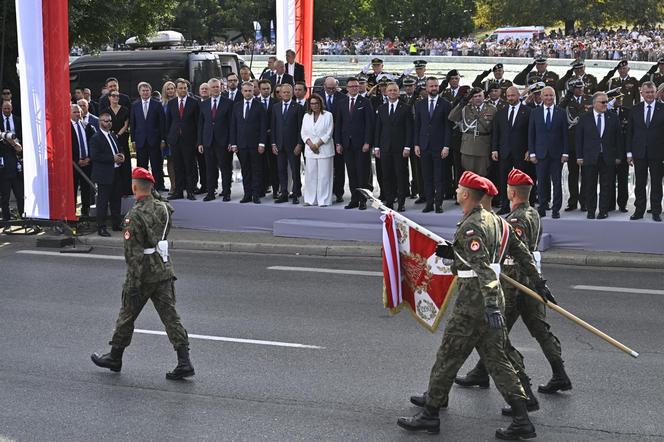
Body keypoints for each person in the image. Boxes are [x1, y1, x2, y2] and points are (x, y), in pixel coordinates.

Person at [397, 171, 552, 440]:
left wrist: (490, 304)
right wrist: (539, 282)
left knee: (448, 355)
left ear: (467, 195)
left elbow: (484, 270)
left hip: (475, 303)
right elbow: (521, 253)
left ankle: (430, 415)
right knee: (498, 360)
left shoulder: (472, 227)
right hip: (491, 302)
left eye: (458, 188)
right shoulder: (498, 223)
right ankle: (521, 419)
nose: (456, 191)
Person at [455, 169, 571, 398]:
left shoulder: (516, 219)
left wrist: (512, 285)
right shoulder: (533, 213)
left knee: (496, 333)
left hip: (516, 284)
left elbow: (517, 253)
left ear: (512, 191)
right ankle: (559, 373)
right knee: (539, 330)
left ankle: (518, 386)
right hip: (530, 281)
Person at [91, 167, 194, 381]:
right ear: (152, 187)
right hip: (163, 268)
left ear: (134, 187)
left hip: (144, 273)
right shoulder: (164, 209)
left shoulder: (134, 215)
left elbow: (133, 254)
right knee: (170, 316)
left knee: (127, 315)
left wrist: (134, 283)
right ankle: (184, 361)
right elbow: (158, 202)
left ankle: (115, 356)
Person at [576, 92, 624, 219]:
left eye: (606, 102)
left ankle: (603, 210)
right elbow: (579, 139)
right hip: (590, 157)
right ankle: (591, 210)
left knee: (606, 185)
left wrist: (619, 156)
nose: (605, 104)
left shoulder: (613, 117)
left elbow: (618, 139)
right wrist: (579, 156)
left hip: (607, 157)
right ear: (594, 104)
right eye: (602, 102)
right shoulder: (584, 118)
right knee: (590, 185)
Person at [491, 86, 534, 214]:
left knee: (523, 180)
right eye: (508, 96)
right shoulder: (501, 113)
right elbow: (496, 133)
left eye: (512, 96)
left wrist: (529, 149)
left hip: (521, 153)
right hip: (504, 152)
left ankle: (524, 206)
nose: (510, 98)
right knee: (504, 180)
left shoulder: (528, 111)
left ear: (518, 95)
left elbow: (531, 133)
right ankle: (505, 206)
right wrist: (494, 150)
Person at [528, 86, 569, 219]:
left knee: (557, 182)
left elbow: (565, 135)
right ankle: (542, 206)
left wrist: (565, 153)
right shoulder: (535, 112)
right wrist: (532, 153)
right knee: (541, 182)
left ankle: (556, 208)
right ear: (541, 97)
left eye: (551, 95)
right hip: (540, 154)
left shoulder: (561, 112)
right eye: (546, 95)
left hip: (557, 155)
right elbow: (531, 134)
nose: (549, 98)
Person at [626, 81, 664, 222]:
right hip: (639, 153)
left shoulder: (663, 108)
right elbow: (630, 132)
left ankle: (656, 211)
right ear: (641, 93)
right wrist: (629, 153)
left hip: (658, 154)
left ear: (656, 92)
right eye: (647, 92)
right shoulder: (635, 109)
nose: (649, 95)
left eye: (652, 92)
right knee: (640, 184)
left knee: (656, 183)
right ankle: (639, 211)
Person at [335, 77, 374, 210]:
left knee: (362, 173)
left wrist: (368, 142)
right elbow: (339, 124)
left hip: (361, 145)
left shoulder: (365, 102)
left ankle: (363, 200)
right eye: (351, 86)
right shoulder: (341, 103)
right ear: (347, 88)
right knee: (351, 173)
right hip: (347, 144)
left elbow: (370, 124)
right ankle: (354, 199)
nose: (354, 88)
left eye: (356, 86)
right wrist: (338, 143)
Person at [413, 77, 451, 213]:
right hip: (423, 146)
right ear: (426, 88)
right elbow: (417, 126)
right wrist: (416, 144)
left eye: (436, 86)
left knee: (438, 177)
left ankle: (438, 203)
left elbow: (448, 127)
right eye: (431, 86)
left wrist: (446, 146)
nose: (434, 88)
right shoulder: (420, 105)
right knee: (426, 176)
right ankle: (429, 203)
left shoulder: (445, 104)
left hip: (439, 147)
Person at [374, 82, 412, 212]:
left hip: (400, 148)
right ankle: (389, 201)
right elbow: (378, 128)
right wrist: (377, 147)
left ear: (398, 92)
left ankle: (401, 202)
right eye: (389, 90)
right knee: (386, 175)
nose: (392, 92)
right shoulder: (382, 108)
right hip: (385, 148)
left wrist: (407, 146)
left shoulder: (405, 108)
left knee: (400, 175)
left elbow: (409, 129)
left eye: (394, 90)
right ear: (386, 92)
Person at [230, 81, 268, 204]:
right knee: (245, 170)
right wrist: (234, 143)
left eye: (250, 91)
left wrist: (262, 143)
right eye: (245, 91)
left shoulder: (260, 105)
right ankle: (247, 194)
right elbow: (233, 126)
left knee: (256, 169)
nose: (247, 93)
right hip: (241, 144)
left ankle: (256, 195)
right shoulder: (237, 106)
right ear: (242, 91)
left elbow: (263, 126)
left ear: (253, 91)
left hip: (256, 144)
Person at [558, 78, 592, 212]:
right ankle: (572, 201)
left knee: (585, 174)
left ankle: (584, 202)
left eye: (581, 87)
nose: (580, 90)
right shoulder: (567, 100)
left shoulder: (588, 99)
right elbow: (559, 110)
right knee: (573, 174)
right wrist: (568, 95)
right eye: (577, 88)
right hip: (572, 142)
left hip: (585, 142)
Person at [197, 78, 233, 202]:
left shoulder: (228, 103)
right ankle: (211, 192)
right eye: (213, 87)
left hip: (223, 142)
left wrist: (231, 141)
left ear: (221, 87)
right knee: (210, 168)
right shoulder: (204, 104)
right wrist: (200, 142)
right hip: (208, 141)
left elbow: (231, 124)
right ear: (209, 89)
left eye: (217, 87)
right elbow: (201, 124)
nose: (215, 89)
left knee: (225, 168)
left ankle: (226, 192)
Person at [90, 111, 125, 236]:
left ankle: (116, 224)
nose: (109, 123)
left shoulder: (112, 135)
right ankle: (101, 227)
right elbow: (95, 156)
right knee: (103, 202)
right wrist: (112, 158)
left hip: (116, 172)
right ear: (100, 122)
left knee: (116, 200)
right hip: (104, 174)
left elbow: (119, 148)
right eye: (106, 121)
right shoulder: (96, 138)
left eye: (110, 121)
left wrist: (121, 155)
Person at [449, 87, 496, 177]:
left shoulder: (492, 109)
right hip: (468, 147)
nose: (477, 98)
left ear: (484, 97)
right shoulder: (466, 108)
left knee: (483, 175)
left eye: (479, 96)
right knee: (468, 176)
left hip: (484, 146)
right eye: (475, 96)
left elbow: (495, 129)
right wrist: (463, 102)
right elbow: (452, 117)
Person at [165, 79, 200, 200]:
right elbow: (168, 122)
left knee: (189, 166)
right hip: (175, 140)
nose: (183, 90)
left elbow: (197, 123)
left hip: (189, 140)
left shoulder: (194, 103)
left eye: (185, 88)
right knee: (178, 166)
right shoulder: (171, 103)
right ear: (176, 90)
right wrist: (169, 138)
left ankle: (190, 191)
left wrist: (197, 140)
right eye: (181, 88)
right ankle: (178, 191)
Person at [130, 82, 166, 192]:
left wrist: (163, 139)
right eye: (143, 90)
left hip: (155, 140)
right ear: (139, 92)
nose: (145, 92)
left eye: (147, 90)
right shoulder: (135, 105)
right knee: (142, 166)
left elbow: (162, 123)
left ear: (150, 91)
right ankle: (143, 188)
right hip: (140, 141)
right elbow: (133, 123)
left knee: (156, 165)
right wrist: (133, 140)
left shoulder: (157, 104)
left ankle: (159, 186)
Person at [271, 83, 304, 204]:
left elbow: (301, 128)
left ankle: (296, 194)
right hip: (279, 145)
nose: (285, 94)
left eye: (288, 92)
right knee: (281, 170)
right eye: (283, 92)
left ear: (292, 93)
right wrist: (273, 143)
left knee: (295, 171)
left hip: (293, 145)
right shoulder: (275, 107)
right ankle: (283, 193)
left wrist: (299, 144)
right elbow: (273, 126)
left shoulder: (298, 107)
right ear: (280, 93)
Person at [301, 93, 334, 207]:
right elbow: (303, 133)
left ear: (321, 104)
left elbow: (328, 133)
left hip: (324, 149)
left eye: (316, 103)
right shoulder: (306, 116)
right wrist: (311, 145)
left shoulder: (328, 115)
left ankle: (323, 200)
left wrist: (317, 145)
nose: (314, 105)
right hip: (310, 150)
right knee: (310, 175)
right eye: (312, 103)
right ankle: (310, 199)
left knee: (324, 176)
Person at [101, 90, 132, 196]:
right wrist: (111, 135)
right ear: (109, 97)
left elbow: (126, 124)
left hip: (122, 139)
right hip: (109, 139)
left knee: (125, 164)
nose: (116, 98)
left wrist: (118, 135)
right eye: (113, 96)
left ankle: (126, 190)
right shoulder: (105, 111)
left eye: (117, 96)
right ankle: (115, 190)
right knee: (113, 164)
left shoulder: (125, 109)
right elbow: (103, 124)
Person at [70, 104, 95, 218]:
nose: (77, 114)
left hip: (87, 163)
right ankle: (72, 214)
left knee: (86, 190)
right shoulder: (66, 128)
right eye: (75, 112)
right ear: (69, 113)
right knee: (73, 190)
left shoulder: (87, 126)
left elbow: (94, 144)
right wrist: (76, 160)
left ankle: (85, 213)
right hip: (74, 165)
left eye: (79, 112)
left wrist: (89, 158)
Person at [0, 110, 23, 221]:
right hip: (4, 172)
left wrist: (14, 143)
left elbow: (20, 150)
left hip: (16, 171)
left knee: (20, 196)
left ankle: (23, 217)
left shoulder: (15, 142)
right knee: (5, 198)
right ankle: (6, 220)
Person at [258, 79, 279, 198]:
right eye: (264, 89)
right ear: (260, 90)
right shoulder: (255, 102)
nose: (266, 91)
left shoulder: (276, 103)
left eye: (268, 89)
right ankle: (261, 188)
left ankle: (276, 190)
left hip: (272, 139)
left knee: (274, 165)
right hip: (259, 139)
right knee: (260, 165)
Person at [161, 81, 177, 194]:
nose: (170, 91)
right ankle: (173, 185)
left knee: (180, 161)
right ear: (165, 91)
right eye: (168, 89)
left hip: (180, 136)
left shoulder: (179, 101)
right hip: (167, 137)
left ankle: (182, 184)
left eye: (172, 88)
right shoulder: (162, 104)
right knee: (170, 161)